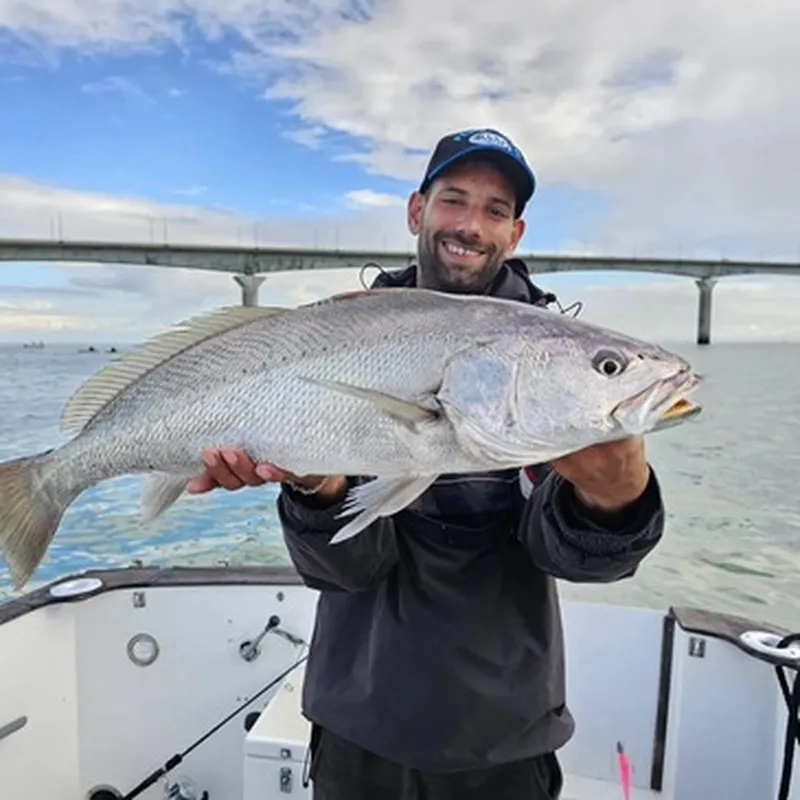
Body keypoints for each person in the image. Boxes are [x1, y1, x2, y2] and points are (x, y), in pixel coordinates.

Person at [186, 127, 666, 799]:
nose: (471, 225)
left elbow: (578, 560)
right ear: (417, 210)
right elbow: (347, 567)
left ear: (516, 232)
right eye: (454, 200)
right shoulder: (338, 336)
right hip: (357, 724)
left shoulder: (547, 362)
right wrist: (319, 488)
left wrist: (616, 501)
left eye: (495, 211)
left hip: (504, 734)